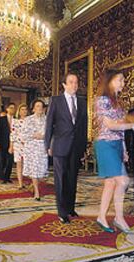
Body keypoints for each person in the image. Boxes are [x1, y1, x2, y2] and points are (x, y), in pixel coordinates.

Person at [94, 69, 134, 233]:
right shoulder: (102, 100)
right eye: (120, 79)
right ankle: (119, 218)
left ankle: (101, 216)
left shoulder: (117, 103)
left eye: (123, 80)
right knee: (123, 181)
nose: (123, 83)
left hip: (117, 144)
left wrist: (125, 149)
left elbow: (119, 130)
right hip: (105, 144)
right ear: (110, 81)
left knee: (111, 182)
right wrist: (133, 125)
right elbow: (110, 125)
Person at [45, 73, 88, 224]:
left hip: (76, 147)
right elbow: (49, 124)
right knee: (61, 179)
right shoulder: (56, 100)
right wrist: (47, 145)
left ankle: (70, 207)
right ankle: (62, 212)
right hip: (59, 146)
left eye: (76, 82)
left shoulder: (82, 102)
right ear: (64, 84)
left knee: (72, 179)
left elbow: (83, 127)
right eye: (71, 82)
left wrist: (83, 148)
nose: (74, 85)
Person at [23, 100, 48, 200]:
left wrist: (44, 136)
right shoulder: (28, 120)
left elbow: (51, 133)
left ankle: (34, 185)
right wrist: (34, 135)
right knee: (34, 169)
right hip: (31, 147)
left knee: (41, 172)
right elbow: (23, 134)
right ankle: (37, 192)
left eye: (41, 106)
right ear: (33, 108)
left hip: (42, 148)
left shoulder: (47, 120)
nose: (39, 108)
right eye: (37, 106)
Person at [0, 103, 16, 184]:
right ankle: (3, 177)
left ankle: (7, 177)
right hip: (2, 143)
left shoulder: (16, 119)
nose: (12, 109)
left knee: (10, 161)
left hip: (12, 143)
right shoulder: (2, 119)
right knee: (2, 160)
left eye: (14, 108)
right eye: (11, 108)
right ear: (7, 109)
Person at [13, 104, 28, 189]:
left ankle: (31, 182)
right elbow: (13, 134)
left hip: (28, 145)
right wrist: (11, 146)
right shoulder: (15, 121)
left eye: (25, 109)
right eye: (22, 109)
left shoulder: (30, 121)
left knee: (28, 164)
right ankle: (20, 183)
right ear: (19, 111)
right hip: (18, 145)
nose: (24, 111)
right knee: (19, 165)